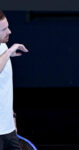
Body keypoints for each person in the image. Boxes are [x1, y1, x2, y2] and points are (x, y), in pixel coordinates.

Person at [0, 10, 28, 150]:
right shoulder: (7, 51)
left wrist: (13, 117)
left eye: (8, 27)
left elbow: (5, 89)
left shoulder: (3, 47)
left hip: (8, 131)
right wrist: (10, 52)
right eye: (3, 29)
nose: (9, 31)